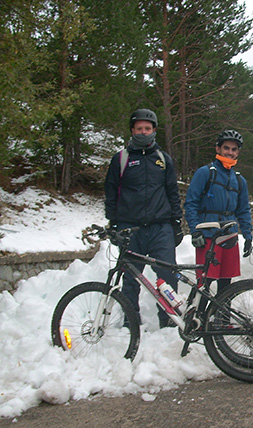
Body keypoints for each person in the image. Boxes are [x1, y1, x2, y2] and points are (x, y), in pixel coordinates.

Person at [104, 108, 184, 328]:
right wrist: (113, 223)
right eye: (139, 128)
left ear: (154, 130)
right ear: (132, 130)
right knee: (131, 279)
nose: (143, 132)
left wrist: (177, 222)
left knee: (168, 276)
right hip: (131, 229)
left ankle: (168, 322)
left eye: (147, 128)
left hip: (161, 228)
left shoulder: (163, 159)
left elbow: (172, 192)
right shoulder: (121, 159)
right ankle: (131, 323)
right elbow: (111, 192)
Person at [184, 130, 252, 296]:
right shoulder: (205, 172)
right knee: (205, 281)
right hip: (207, 234)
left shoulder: (240, 180)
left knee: (226, 282)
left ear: (238, 152)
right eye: (226, 148)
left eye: (234, 149)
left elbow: (243, 210)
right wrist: (195, 230)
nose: (230, 152)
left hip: (229, 235)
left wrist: (248, 235)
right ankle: (199, 318)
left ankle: (223, 320)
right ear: (218, 149)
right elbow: (191, 203)